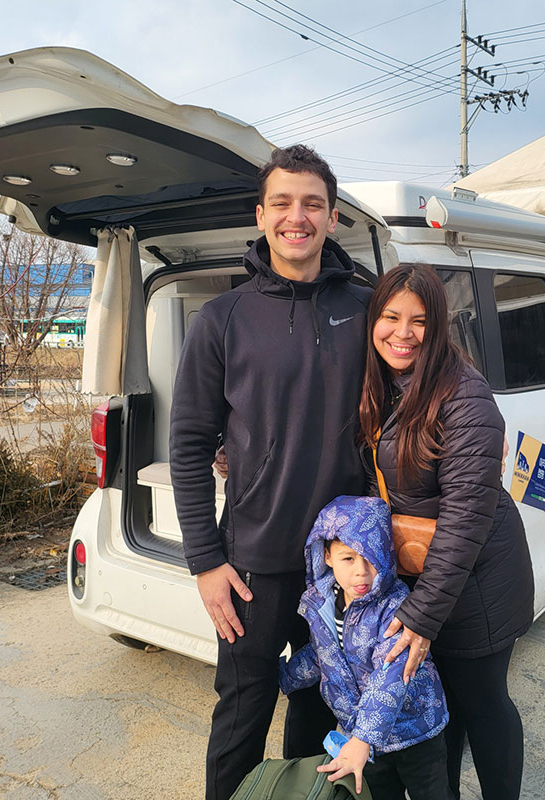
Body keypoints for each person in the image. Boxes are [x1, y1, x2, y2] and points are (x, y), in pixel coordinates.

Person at [169, 145, 372, 800]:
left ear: (333, 217)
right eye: (282, 203)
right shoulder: (222, 319)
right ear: (261, 215)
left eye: (312, 204)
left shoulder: (367, 311)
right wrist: (206, 561)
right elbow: (189, 443)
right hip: (251, 566)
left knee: (322, 711)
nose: (296, 217)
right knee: (241, 716)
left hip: (339, 566)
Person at [360, 263, 535, 799]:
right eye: (391, 317)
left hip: (478, 582)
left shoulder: (463, 394)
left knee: (482, 704)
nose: (403, 333)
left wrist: (422, 615)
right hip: (424, 575)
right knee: (444, 707)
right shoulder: (382, 384)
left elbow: (465, 517)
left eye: (419, 321)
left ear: (438, 327)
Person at [279, 494, 449, 799]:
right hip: (363, 740)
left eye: (372, 559)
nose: (361, 571)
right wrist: (280, 678)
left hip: (415, 731)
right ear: (326, 556)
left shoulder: (395, 607)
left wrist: (362, 739)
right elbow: (323, 656)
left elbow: (392, 673)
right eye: (348, 559)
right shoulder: (321, 603)